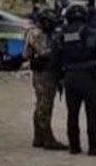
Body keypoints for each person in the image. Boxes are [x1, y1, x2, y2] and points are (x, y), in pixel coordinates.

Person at [53, 3, 96, 156]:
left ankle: (74, 146)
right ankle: (94, 146)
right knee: (92, 114)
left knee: (72, 114)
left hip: (70, 76)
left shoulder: (62, 36)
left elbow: (55, 58)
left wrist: (60, 78)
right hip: (90, 77)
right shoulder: (93, 34)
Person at [22, 8, 68, 151]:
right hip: (44, 73)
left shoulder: (36, 32)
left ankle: (39, 137)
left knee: (41, 104)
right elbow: (45, 52)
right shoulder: (37, 34)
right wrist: (59, 46)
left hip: (42, 72)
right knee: (45, 105)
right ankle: (47, 138)